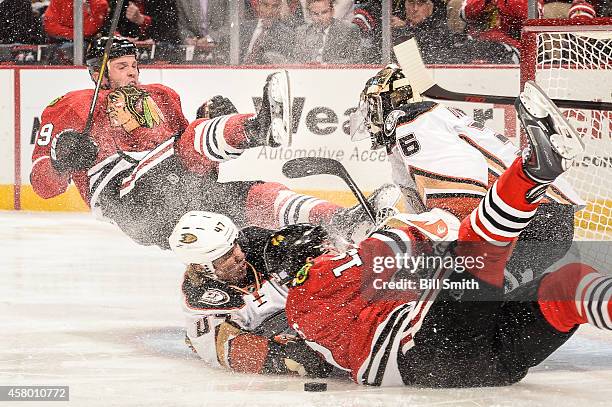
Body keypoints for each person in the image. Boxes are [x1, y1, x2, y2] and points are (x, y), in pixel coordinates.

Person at [262, 84, 612, 387]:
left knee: (565, 289)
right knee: (484, 249)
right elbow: (422, 233)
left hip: (481, 363)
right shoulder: (321, 274)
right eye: (324, 244)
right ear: (310, 256)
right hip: (433, 349)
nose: (331, 244)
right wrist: (397, 229)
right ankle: (533, 171)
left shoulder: (302, 315)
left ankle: (533, 173)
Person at [30, 36, 397, 249]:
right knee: (194, 140)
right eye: (121, 66)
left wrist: (213, 121)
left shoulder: (160, 94)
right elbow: (42, 186)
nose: (133, 73)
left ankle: (340, 220)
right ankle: (256, 129)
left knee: (254, 196)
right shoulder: (68, 108)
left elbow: (196, 162)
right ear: (97, 71)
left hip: (180, 193)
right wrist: (62, 162)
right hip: (131, 205)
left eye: (134, 65)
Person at [350, 64, 585, 290]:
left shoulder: (414, 121)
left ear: (386, 104)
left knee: (465, 300)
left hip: (528, 220)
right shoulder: (420, 126)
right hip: (542, 221)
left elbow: (460, 200)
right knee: (481, 306)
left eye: (371, 107)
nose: (369, 119)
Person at [169, 211, 336, 377]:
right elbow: (221, 348)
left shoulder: (256, 242)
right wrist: (282, 356)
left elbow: (319, 251)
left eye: (235, 245)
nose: (240, 255)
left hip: (309, 312)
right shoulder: (200, 295)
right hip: (269, 333)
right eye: (227, 256)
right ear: (202, 267)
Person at [293, 0, 362, 64]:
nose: (320, 17)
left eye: (324, 12)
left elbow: (355, 60)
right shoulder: (301, 31)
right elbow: (296, 60)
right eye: (315, 14)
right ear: (309, 14)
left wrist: (326, 66)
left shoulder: (348, 30)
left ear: (332, 11)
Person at [43, 0, 109, 42]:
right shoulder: (59, 1)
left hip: (87, 43)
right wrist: (74, 32)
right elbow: (49, 26)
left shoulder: (99, 3)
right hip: (58, 42)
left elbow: (88, 31)